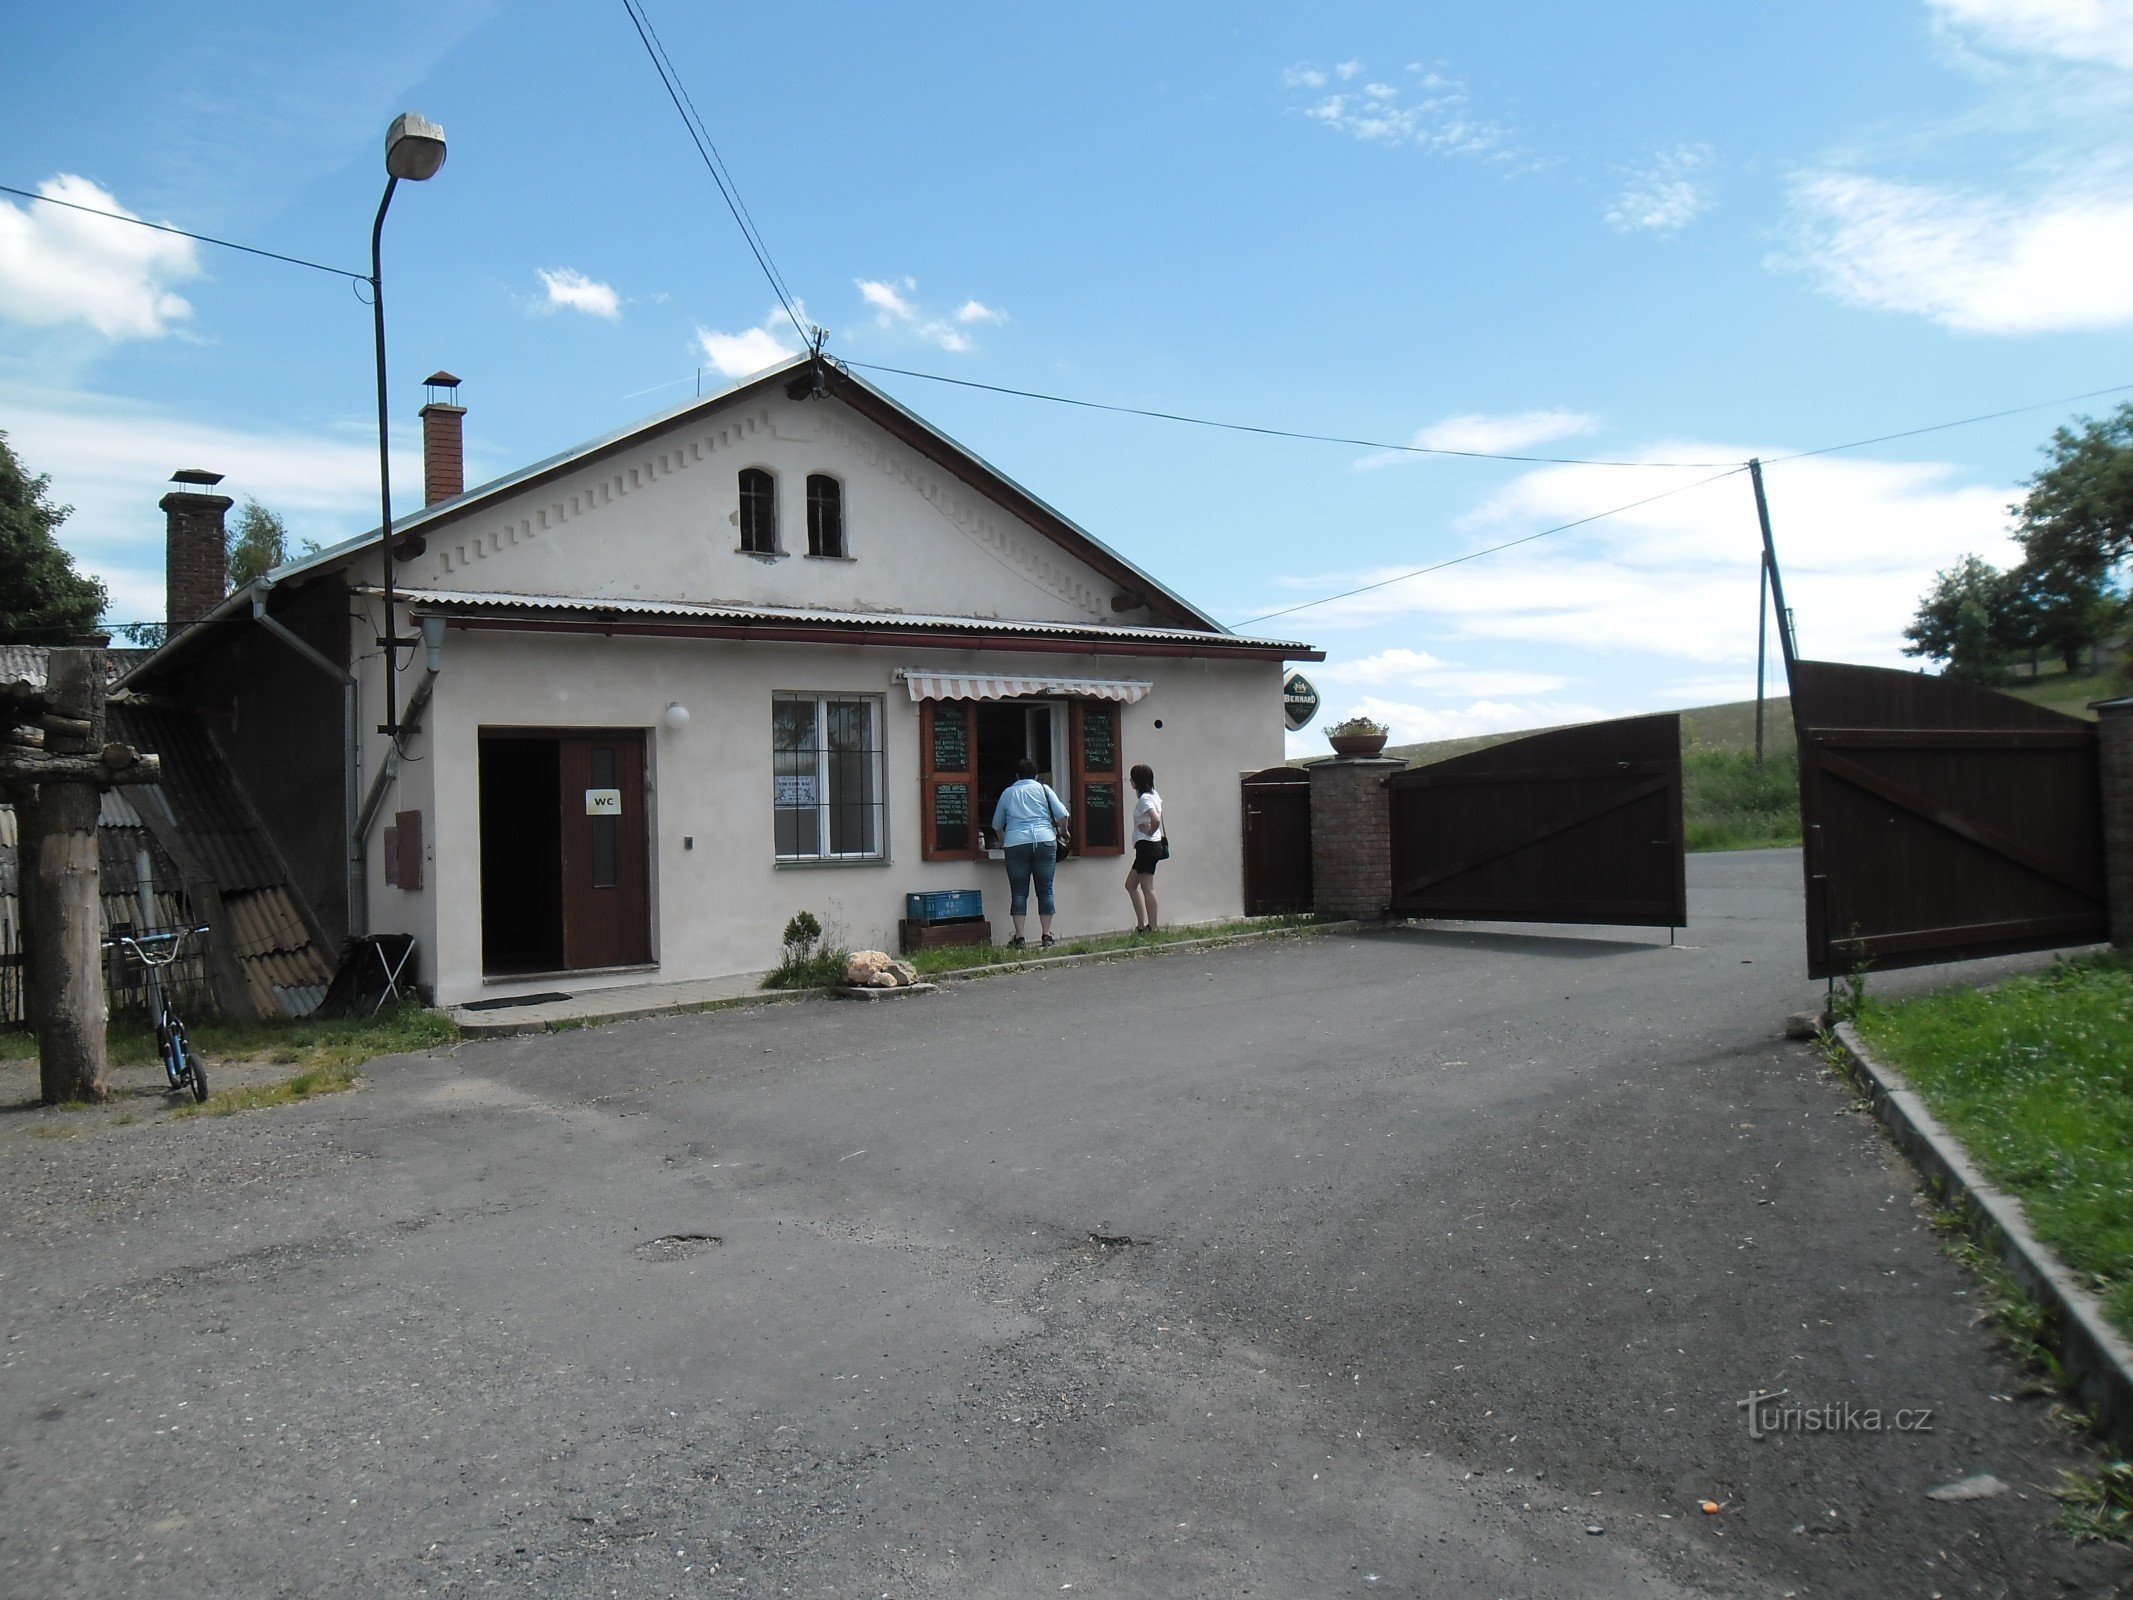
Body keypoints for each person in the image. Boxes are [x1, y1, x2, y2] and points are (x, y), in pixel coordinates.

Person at [991, 756, 1071, 948]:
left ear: (1017, 775)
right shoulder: (1044, 789)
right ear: (1036, 775)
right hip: (1044, 841)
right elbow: (1062, 814)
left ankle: (1020, 937)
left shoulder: (1008, 793)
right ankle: (1046, 935)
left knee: (1019, 892)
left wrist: (1002, 840)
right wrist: (1063, 831)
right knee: (1045, 890)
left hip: (1016, 842)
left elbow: (996, 823)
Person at [1125, 762, 1165, 934]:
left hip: (1146, 846)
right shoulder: (1154, 795)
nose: (1130, 781)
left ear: (1138, 781)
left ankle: (1152, 927)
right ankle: (1141, 925)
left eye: (1132, 778)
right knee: (1130, 885)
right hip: (1150, 846)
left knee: (1147, 887)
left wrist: (1149, 831)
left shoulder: (1145, 799)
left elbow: (1155, 819)